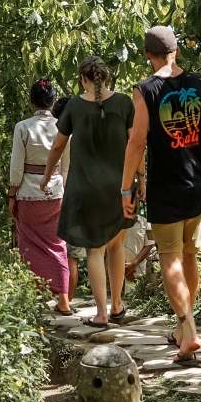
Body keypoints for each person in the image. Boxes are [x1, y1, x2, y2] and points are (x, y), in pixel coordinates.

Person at [120, 26, 201, 366]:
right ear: (176, 52)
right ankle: (182, 328)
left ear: (148, 55)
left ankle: (187, 328)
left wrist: (126, 188)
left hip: (165, 190)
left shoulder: (145, 90)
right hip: (197, 188)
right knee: (189, 256)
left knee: (170, 259)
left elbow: (136, 142)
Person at [41, 56, 138, 328]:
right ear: (106, 77)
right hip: (119, 188)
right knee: (116, 247)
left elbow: (58, 147)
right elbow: (136, 144)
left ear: (83, 78)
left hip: (85, 190)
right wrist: (141, 177)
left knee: (95, 250)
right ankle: (117, 305)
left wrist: (48, 176)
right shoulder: (124, 103)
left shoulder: (73, 106)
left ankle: (101, 314)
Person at [8, 78, 72, 315]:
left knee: (28, 246)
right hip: (56, 194)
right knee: (58, 245)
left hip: (28, 194)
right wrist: (59, 188)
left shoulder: (22, 127)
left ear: (31, 101)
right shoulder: (63, 126)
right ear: (52, 100)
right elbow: (66, 166)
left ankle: (33, 298)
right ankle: (64, 300)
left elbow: (16, 167)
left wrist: (11, 195)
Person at [51, 96, 85, 302]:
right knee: (72, 255)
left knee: (59, 251)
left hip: (62, 198)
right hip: (81, 198)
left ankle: (62, 300)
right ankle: (68, 301)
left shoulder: (61, 138)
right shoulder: (81, 136)